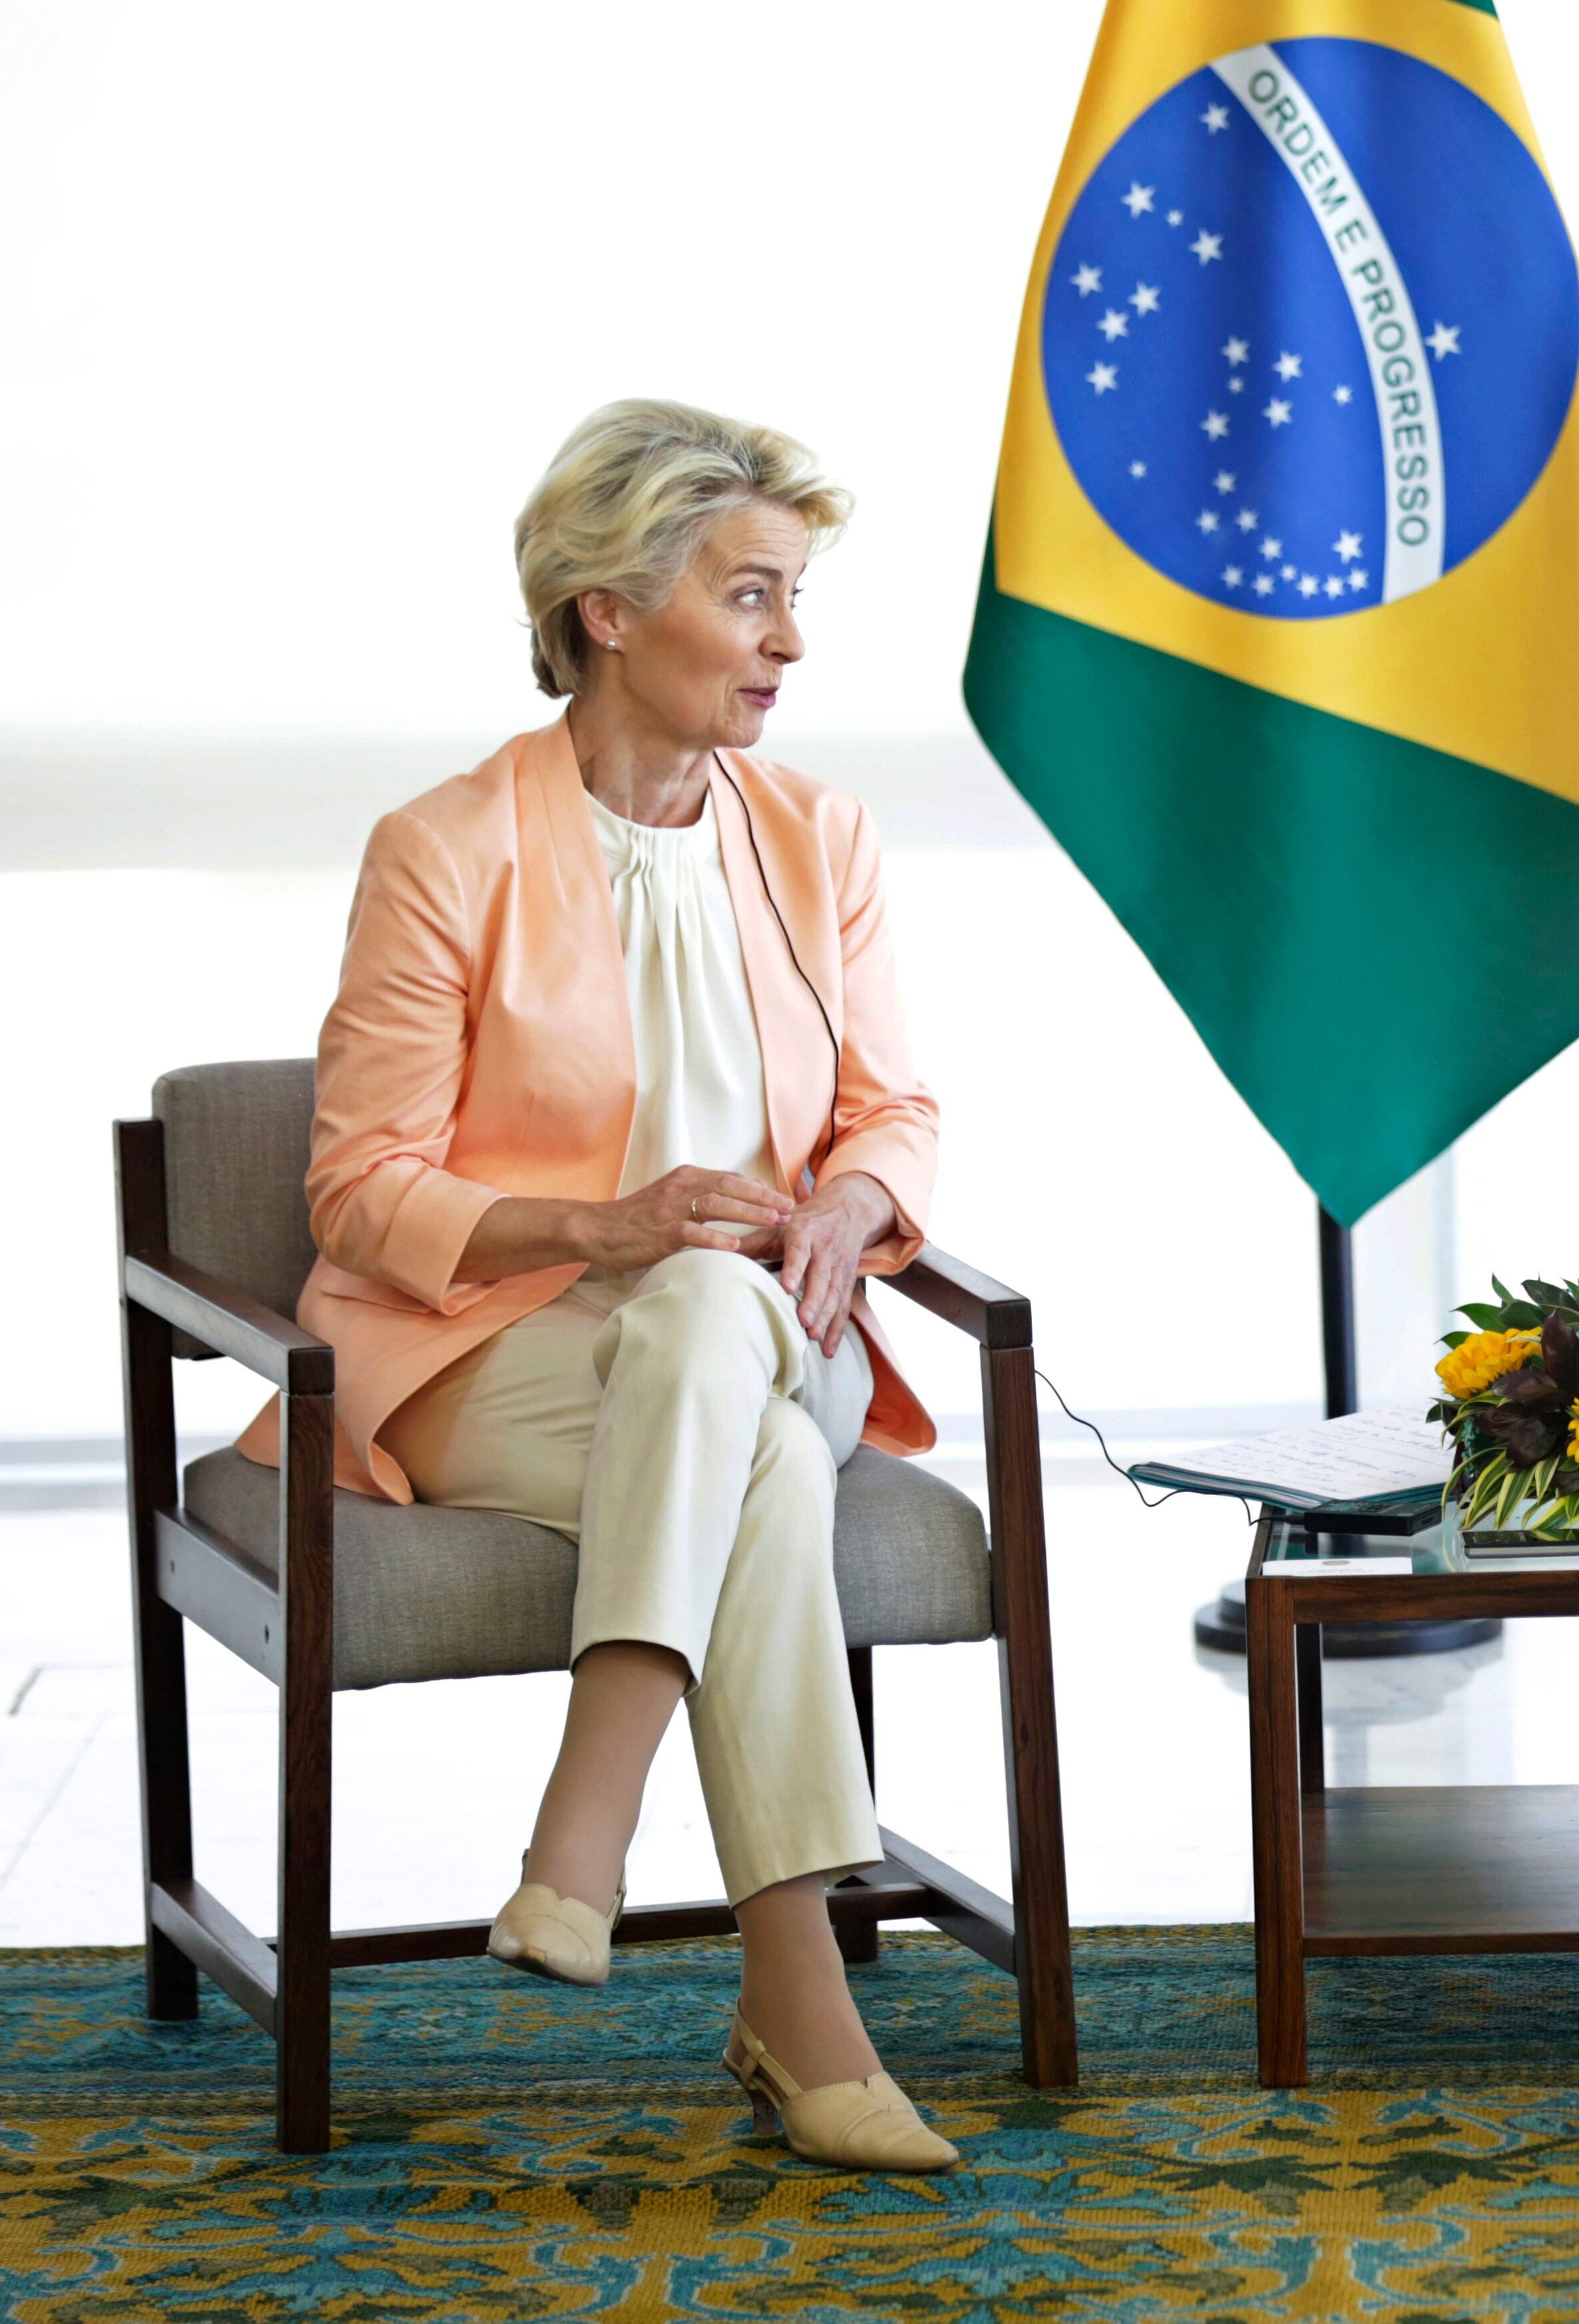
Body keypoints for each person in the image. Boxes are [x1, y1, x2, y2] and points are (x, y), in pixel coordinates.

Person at [234, 399, 956, 2171]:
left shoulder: (818, 840)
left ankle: (587, 1831)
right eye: (753, 594)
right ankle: (804, 2015)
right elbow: (359, 1183)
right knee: (757, 1462)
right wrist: (599, 1230)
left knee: (723, 1328)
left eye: (799, 599)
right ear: (613, 607)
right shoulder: (448, 848)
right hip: (506, 1349)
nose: (791, 642)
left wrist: (847, 1210)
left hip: (769, 1331)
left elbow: (896, 1113)